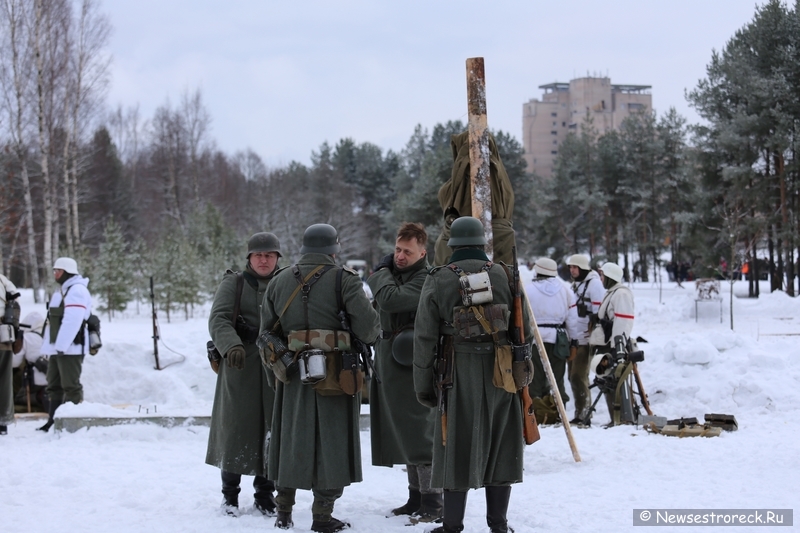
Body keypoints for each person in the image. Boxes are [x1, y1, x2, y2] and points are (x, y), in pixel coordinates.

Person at [260, 223, 379, 533]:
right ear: (334, 249)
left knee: (291, 439)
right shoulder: (345, 281)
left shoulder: (279, 280)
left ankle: (283, 510)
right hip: (338, 376)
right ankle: (322, 516)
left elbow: (266, 333)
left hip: (293, 375)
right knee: (333, 442)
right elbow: (369, 330)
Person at [414, 216, 531, 533]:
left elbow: (424, 339)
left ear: (451, 245)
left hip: (456, 372)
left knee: (455, 443)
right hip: (502, 371)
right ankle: (499, 524)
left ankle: (452, 525)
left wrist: (424, 385)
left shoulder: (439, 278)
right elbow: (524, 332)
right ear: (482, 244)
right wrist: (524, 375)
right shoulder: (504, 275)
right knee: (501, 443)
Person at [367, 223, 442, 524]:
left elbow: (391, 300)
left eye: (407, 252)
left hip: (414, 360)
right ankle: (415, 497)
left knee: (420, 430)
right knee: (403, 430)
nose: (399, 256)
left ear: (422, 252)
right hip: (390, 357)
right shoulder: (398, 275)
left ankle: (433, 501)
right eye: (397, 249)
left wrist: (380, 272)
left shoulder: (426, 277)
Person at [206, 232, 282, 517]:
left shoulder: (285, 282)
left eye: (269, 255)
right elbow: (219, 318)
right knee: (236, 429)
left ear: (277, 258)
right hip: (240, 366)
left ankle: (265, 495)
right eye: (259, 255)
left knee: (273, 430)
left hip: (275, 368)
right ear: (249, 257)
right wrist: (231, 345)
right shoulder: (234, 283)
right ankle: (230, 496)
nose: (264, 259)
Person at [38, 257, 92, 432]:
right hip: (59, 347)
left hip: (71, 347)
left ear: (67, 271)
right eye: (54, 270)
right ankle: (53, 421)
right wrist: (50, 346)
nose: (55, 274)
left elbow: (72, 321)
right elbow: (52, 322)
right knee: (53, 384)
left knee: (70, 385)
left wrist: (61, 346)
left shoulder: (76, 291)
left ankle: (72, 424)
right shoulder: (62, 290)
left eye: (58, 271)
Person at [524, 257, 580, 421]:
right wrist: (574, 342)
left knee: (535, 376)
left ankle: (538, 412)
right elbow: (572, 319)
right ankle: (558, 408)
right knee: (557, 376)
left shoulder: (528, 289)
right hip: (559, 338)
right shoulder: (566, 289)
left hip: (535, 338)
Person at [588, 262, 635, 425]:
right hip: (607, 343)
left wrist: (617, 347)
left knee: (615, 382)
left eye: (602, 275)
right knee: (606, 382)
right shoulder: (613, 293)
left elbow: (623, 322)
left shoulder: (621, 294)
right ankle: (615, 418)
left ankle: (621, 417)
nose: (600, 279)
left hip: (614, 345)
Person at [566, 254, 605, 426]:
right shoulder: (575, 285)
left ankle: (584, 413)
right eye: (570, 267)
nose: (572, 270)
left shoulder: (594, 284)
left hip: (586, 338)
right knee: (572, 376)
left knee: (578, 376)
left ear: (582, 268)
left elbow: (600, 311)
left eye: (575, 267)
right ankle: (580, 411)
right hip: (574, 336)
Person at [12, 312, 48, 413]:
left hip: (34, 381)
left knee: (17, 397)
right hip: (53, 378)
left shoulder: (27, 338)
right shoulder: (50, 336)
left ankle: (38, 397)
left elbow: (15, 363)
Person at [0, 273, 20, 435]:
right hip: (4, 336)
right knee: (4, 380)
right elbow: (15, 303)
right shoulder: (3, 280)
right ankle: (3, 421)